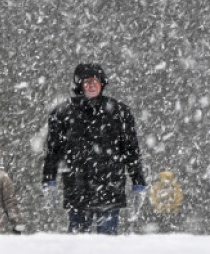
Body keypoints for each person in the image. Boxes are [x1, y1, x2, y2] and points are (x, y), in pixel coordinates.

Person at [41, 63, 147, 234]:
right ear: (79, 85)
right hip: (77, 188)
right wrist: (48, 179)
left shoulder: (120, 112)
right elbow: (53, 151)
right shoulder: (62, 114)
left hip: (110, 187)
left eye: (96, 81)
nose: (92, 85)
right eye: (87, 81)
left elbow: (131, 150)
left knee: (107, 245)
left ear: (102, 83)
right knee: (77, 244)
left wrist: (138, 181)